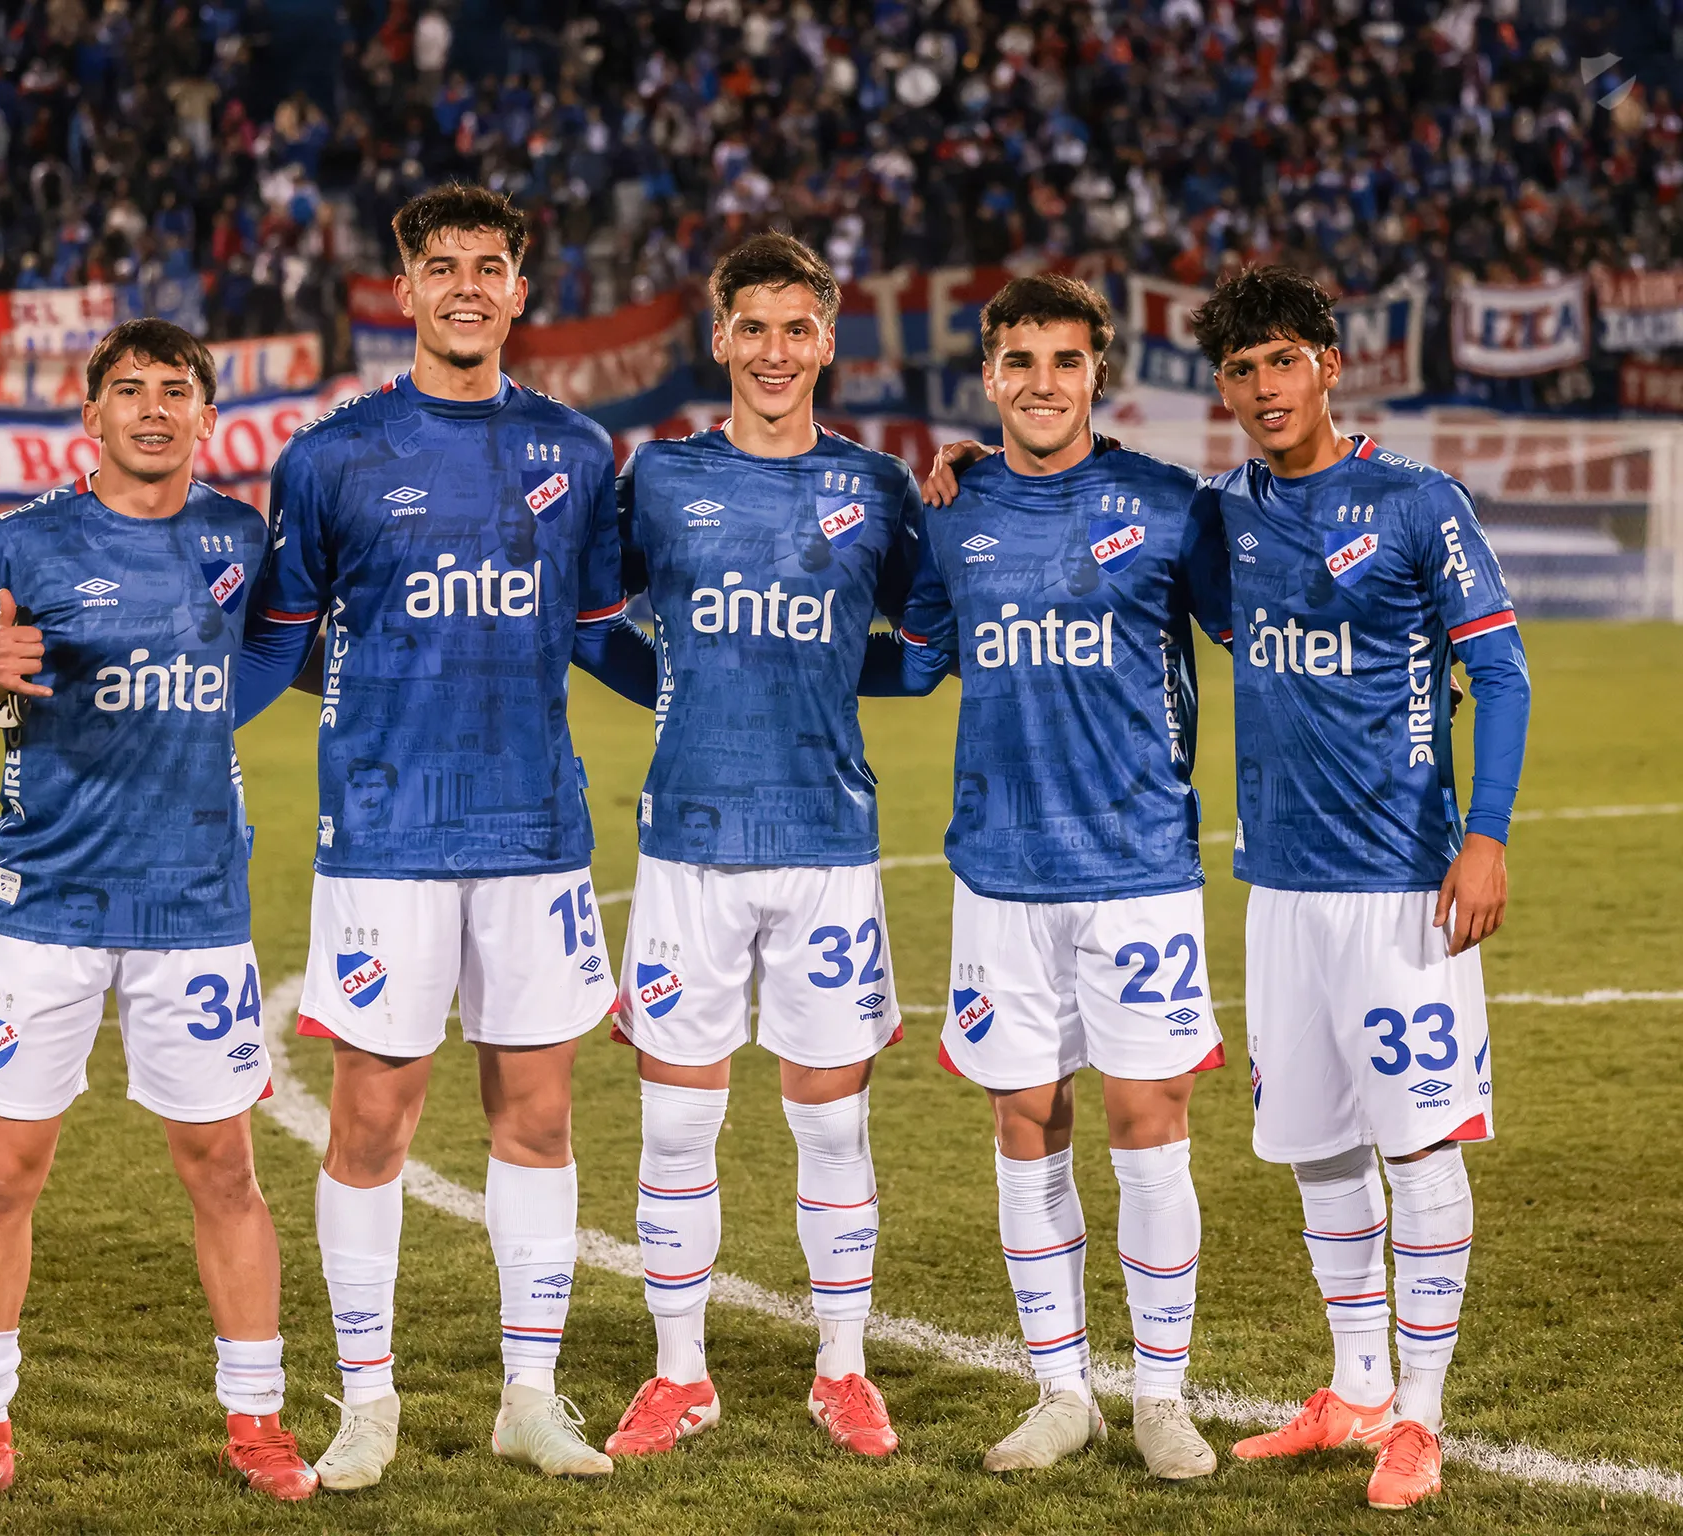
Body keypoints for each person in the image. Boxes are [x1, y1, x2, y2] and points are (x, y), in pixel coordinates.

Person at [233, 183, 648, 1485]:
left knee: (538, 1119)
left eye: (489, 265)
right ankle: (369, 1403)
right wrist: (165, 708)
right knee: (373, 1122)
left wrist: (710, 691)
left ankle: (530, 1395)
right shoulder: (331, 457)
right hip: (385, 837)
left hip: (535, 834)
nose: (466, 285)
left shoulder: (577, 450)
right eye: (443, 265)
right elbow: (275, 646)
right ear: (404, 288)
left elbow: (598, 635)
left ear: (519, 291)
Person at [0, 319, 316, 1516]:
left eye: (175, 391)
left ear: (206, 418)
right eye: (128, 390)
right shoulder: (20, 541)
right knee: (4, 1172)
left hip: (196, 908)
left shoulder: (242, 540)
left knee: (224, 1168)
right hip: (43, 907)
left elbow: (296, 650)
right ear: (91, 417)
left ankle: (257, 1420)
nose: (152, 409)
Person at [1192, 267, 1530, 1510]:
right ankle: (1356, 1386)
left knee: (1419, 1142)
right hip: (1278, 883)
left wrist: (1484, 837)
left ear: (1329, 364)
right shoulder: (1223, 517)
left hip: (1401, 885)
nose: (1264, 388)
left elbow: (1504, 675)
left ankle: (1421, 1417)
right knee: (1320, 1147)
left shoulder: (1416, 502)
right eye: (1240, 371)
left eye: (1283, 360)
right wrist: (971, 468)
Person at [597, 233, 922, 1461]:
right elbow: (590, 621)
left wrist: (828, 678)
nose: (775, 351)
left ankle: (843, 1370)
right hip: (688, 842)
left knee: (832, 1128)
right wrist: (680, 684)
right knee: (677, 1128)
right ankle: (679, 1376)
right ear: (719, 339)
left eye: (798, 329)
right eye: (754, 328)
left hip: (826, 843)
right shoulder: (661, 477)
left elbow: (928, 647)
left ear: (827, 342)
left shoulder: (877, 488)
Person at [903, 275, 1231, 1479]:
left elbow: (1258, 631)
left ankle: (1161, 1397)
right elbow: (920, 658)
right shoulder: (952, 511)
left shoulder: (1169, 505)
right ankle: (1060, 1392)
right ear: (989, 375)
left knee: (1150, 1128)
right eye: (1021, 361)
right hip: (1000, 869)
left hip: (1139, 865)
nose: (1043, 382)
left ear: (1099, 373)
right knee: (1026, 1125)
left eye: (1066, 360)